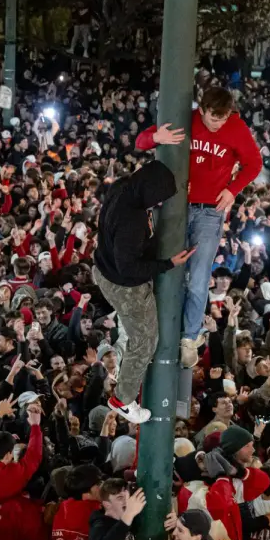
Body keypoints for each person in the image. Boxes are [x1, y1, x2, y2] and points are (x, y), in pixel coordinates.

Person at [136, 86, 262, 368]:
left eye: (223, 118)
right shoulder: (186, 119)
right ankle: (155, 328)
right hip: (175, 206)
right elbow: (141, 142)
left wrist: (233, 190)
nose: (217, 124)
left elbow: (254, 163)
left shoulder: (236, 128)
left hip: (209, 211)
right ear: (201, 109)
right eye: (212, 118)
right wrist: (158, 137)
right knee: (166, 269)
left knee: (199, 277)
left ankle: (190, 336)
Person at [92, 159, 195, 424]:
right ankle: (123, 400)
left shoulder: (122, 186)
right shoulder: (132, 221)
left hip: (103, 268)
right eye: (159, 199)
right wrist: (168, 264)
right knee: (145, 340)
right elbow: (129, 270)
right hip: (124, 286)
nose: (159, 205)